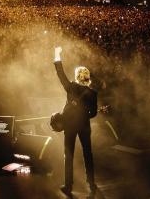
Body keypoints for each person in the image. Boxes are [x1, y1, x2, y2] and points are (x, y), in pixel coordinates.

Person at [54, 46, 98, 198]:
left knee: (69, 155)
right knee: (88, 154)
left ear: (77, 76)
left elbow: (60, 75)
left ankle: (68, 186)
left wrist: (57, 54)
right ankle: (92, 184)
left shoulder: (72, 88)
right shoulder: (93, 93)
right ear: (87, 77)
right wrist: (84, 113)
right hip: (84, 125)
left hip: (70, 125)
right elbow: (93, 113)